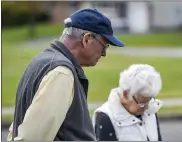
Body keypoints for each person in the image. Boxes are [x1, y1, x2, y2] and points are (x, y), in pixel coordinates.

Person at [7, 8, 125, 141]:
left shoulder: (42, 61)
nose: (104, 53)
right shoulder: (62, 73)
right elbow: (32, 137)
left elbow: (17, 128)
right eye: (104, 46)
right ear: (87, 39)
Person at [93, 64, 163, 141]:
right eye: (142, 103)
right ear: (125, 94)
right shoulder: (105, 117)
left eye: (149, 100)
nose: (147, 107)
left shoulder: (150, 108)